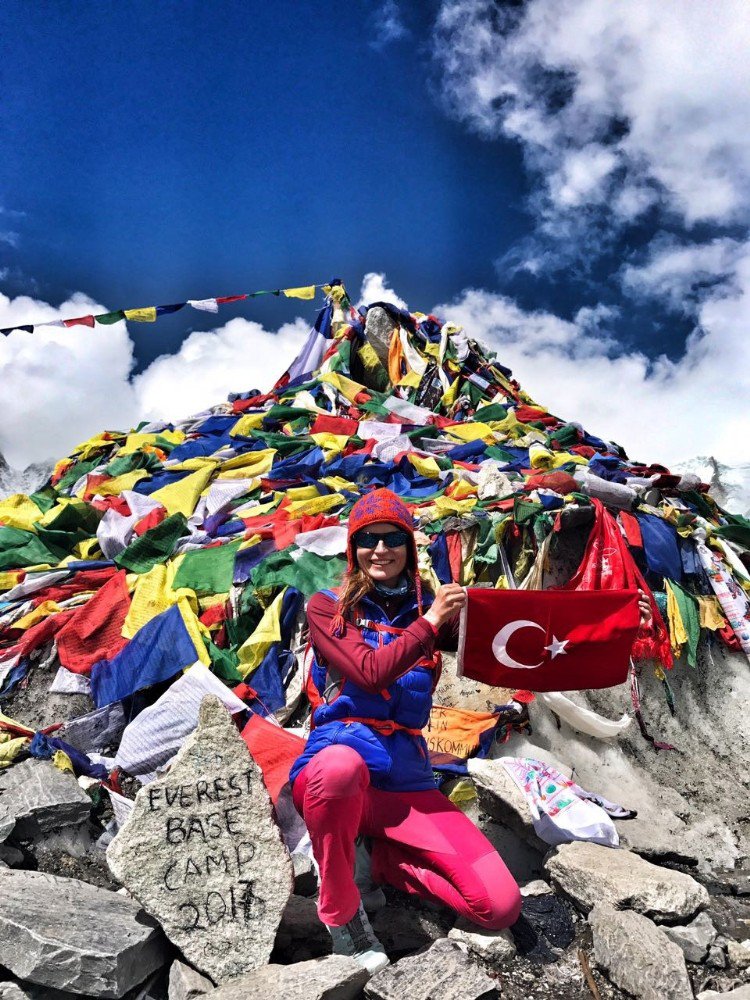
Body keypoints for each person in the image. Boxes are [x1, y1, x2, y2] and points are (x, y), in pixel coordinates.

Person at [289, 488, 523, 973]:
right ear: (352, 549)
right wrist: (433, 620)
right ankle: (343, 915)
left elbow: (517, 646)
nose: (380, 549)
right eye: (367, 539)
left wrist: (617, 631)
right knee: (337, 769)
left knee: (499, 906)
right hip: (338, 772)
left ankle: (380, 863)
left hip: (407, 783)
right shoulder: (326, 608)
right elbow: (370, 671)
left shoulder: (428, 616)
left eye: (392, 537)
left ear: (409, 547)